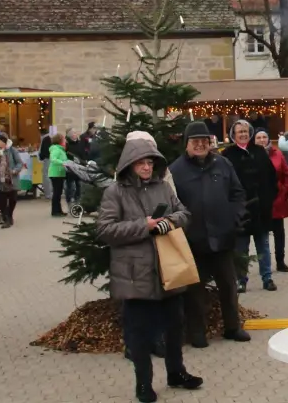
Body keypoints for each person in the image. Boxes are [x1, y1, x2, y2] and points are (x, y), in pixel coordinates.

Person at [96, 135, 203, 403]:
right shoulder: (115, 192)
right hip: (135, 276)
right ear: (129, 164)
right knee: (138, 334)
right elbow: (105, 230)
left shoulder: (163, 188)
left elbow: (184, 213)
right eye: (141, 163)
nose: (146, 168)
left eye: (150, 163)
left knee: (176, 326)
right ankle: (143, 384)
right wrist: (144, 226)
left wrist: (168, 222)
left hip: (168, 269)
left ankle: (176, 373)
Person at [168, 123, 250, 345]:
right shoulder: (176, 170)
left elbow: (237, 193)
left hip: (222, 237)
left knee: (228, 285)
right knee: (194, 290)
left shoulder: (222, 164)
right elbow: (170, 204)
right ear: (187, 144)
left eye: (204, 141)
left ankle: (233, 327)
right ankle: (196, 332)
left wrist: (234, 217)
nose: (200, 145)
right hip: (193, 240)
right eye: (195, 141)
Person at [221, 119, 278, 292]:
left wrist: (268, 200)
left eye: (246, 131)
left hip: (260, 209)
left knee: (264, 246)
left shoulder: (259, 152)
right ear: (233, 135)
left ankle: (267, 278)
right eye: (240, 132)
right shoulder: (227, 155)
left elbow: (271, 178)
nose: (243, 135)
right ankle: (241, 280)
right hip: (240, 211)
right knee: (241, 248)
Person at [255, 129, 288, 273]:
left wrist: (284, 191)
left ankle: (280, 261)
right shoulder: (251, 155)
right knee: (262, 235)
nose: (262, 140)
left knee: (279, 233)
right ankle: (264, 264)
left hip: (277, 199)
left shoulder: (277, 154)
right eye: (259, 137)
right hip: (259, 201)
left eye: (264, 137)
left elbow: (286, 175)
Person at [0, 133, 21, 228]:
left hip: (11, 178)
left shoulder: (12, 150)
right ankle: (6, 219)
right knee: (1, 201)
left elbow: (19, 163)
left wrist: (15, 170)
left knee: (13, 199)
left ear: (4, 142)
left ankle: (10, 215)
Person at [65, 129, 89, 209]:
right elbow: (64, 156)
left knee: (79, 185)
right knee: (70, 186)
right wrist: (71, 160)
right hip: (70, 168)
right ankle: (70, 201)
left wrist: (84, 161)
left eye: (75, 132)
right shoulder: (66, 145)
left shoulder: (80, 143)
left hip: (80, 167)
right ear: (69, 135)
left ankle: (78, 201)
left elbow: (84, 153)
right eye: (73, 133)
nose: (75, 134)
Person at [47, 133, 69, 217]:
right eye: (63, 139)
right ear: (60, 140)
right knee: (56, 193)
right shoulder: (56, 149)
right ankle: (55, 211)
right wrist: (63, 163)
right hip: (56, 173)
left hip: (59, 173)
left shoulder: (60, 149)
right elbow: (53, 159)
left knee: (58, 192)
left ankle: (58, 210)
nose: (65, 141)